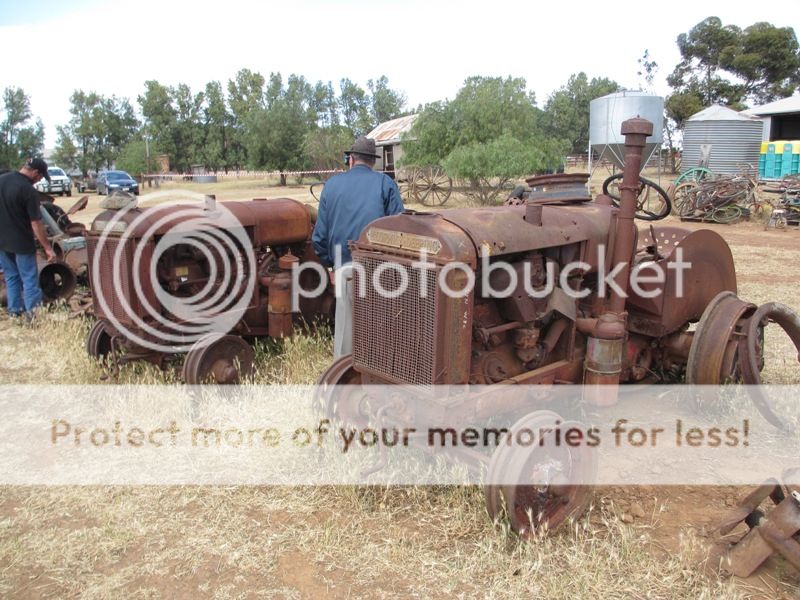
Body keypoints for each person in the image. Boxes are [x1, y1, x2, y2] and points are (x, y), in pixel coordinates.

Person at [312, 136, 404, 358]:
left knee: (345, 336)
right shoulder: (385, 183)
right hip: (380, 271)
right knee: (382, 332)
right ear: (373, 162)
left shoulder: (331, 185)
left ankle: (344, 380)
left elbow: (319, 237)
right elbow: (401, 230)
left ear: (351, 159)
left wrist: (331, 265)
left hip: (344, 267)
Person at [0, 158, 56, 318]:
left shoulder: (2, 180)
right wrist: (47, 248)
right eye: (40, 177)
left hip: (2, 241)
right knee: (29, 279)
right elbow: (36, 223)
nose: (39, 181)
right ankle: (32, 315)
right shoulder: (28, 191)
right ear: (35, 173)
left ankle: (15, 311)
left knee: (11, 277)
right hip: (21, 242)